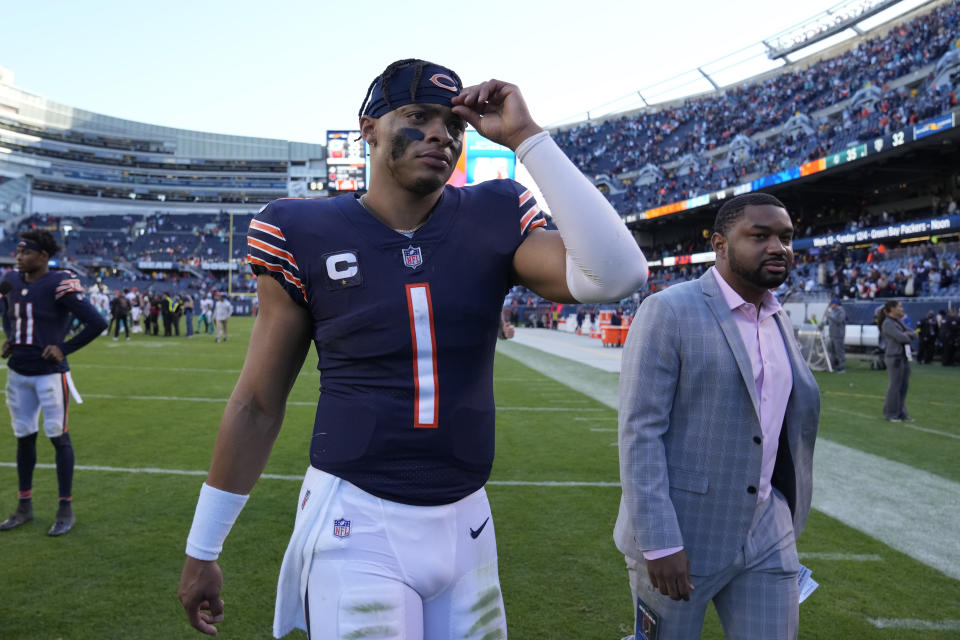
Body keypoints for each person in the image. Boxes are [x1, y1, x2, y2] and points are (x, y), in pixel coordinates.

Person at [177, 58, 647, 639]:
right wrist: (204, 545)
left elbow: (619, 274)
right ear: (368, 128)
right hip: (358, 518)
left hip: (469, 521)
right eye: (417, 116)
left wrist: (527, 139)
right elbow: (256, 403)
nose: (439, 135)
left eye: (453, 125)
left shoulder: (494, 211)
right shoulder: (303, 230)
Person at [614, 193, 819, 639]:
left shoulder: (778, 318)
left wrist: (783, 509)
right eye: (759, 236)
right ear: (721, 244)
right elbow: (640, 431)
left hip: (768, 529)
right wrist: (659, 539)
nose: (778, 248)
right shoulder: (669, 310)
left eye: (785, 237)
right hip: (684, 531)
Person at [0, 230, 107, 536]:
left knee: (59, 438)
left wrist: (64, 347)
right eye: (18, 251)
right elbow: (6, 312)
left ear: (43, 257)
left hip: (50, 374)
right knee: (23, 437)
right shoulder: (10, 280)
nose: (19, 257)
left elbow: (97, 322)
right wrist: (11, 338)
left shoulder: (59, 282)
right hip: (18, 372)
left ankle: (65, 508)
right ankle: (24, 506)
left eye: (26, 252)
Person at [880, 300, 914, 422]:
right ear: (892, 309)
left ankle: (902, 413)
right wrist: (907, 335)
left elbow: (912, 333)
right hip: (894, 357)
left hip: (903, 356)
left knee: (903, 386)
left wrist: (907, 335)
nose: (901, 308)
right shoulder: (888, 323)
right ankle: (891, 413)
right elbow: (901, 337)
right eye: (899, 306)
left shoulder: (897, 322)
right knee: (895, 386)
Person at [825, 298, 847, 372]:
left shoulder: (841, 311)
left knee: (839, 351)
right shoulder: (832, 311)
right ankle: (833, 366)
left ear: (836, 304)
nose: (831, 305)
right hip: (832, 334)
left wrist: (829, 316)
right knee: (832, 352)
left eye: (832, 304)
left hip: (838, 335)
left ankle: (842, 367)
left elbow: (839, 321)